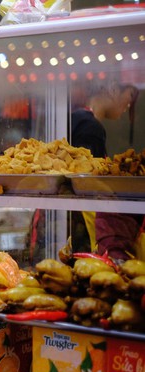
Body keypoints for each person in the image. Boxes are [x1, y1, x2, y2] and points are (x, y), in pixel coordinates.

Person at [71, 82, 141, 260]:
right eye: (130, 95)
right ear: (112, 89)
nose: (129, 104)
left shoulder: (78, 119)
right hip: (81, 230)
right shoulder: (90, 127)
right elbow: (88, 183)